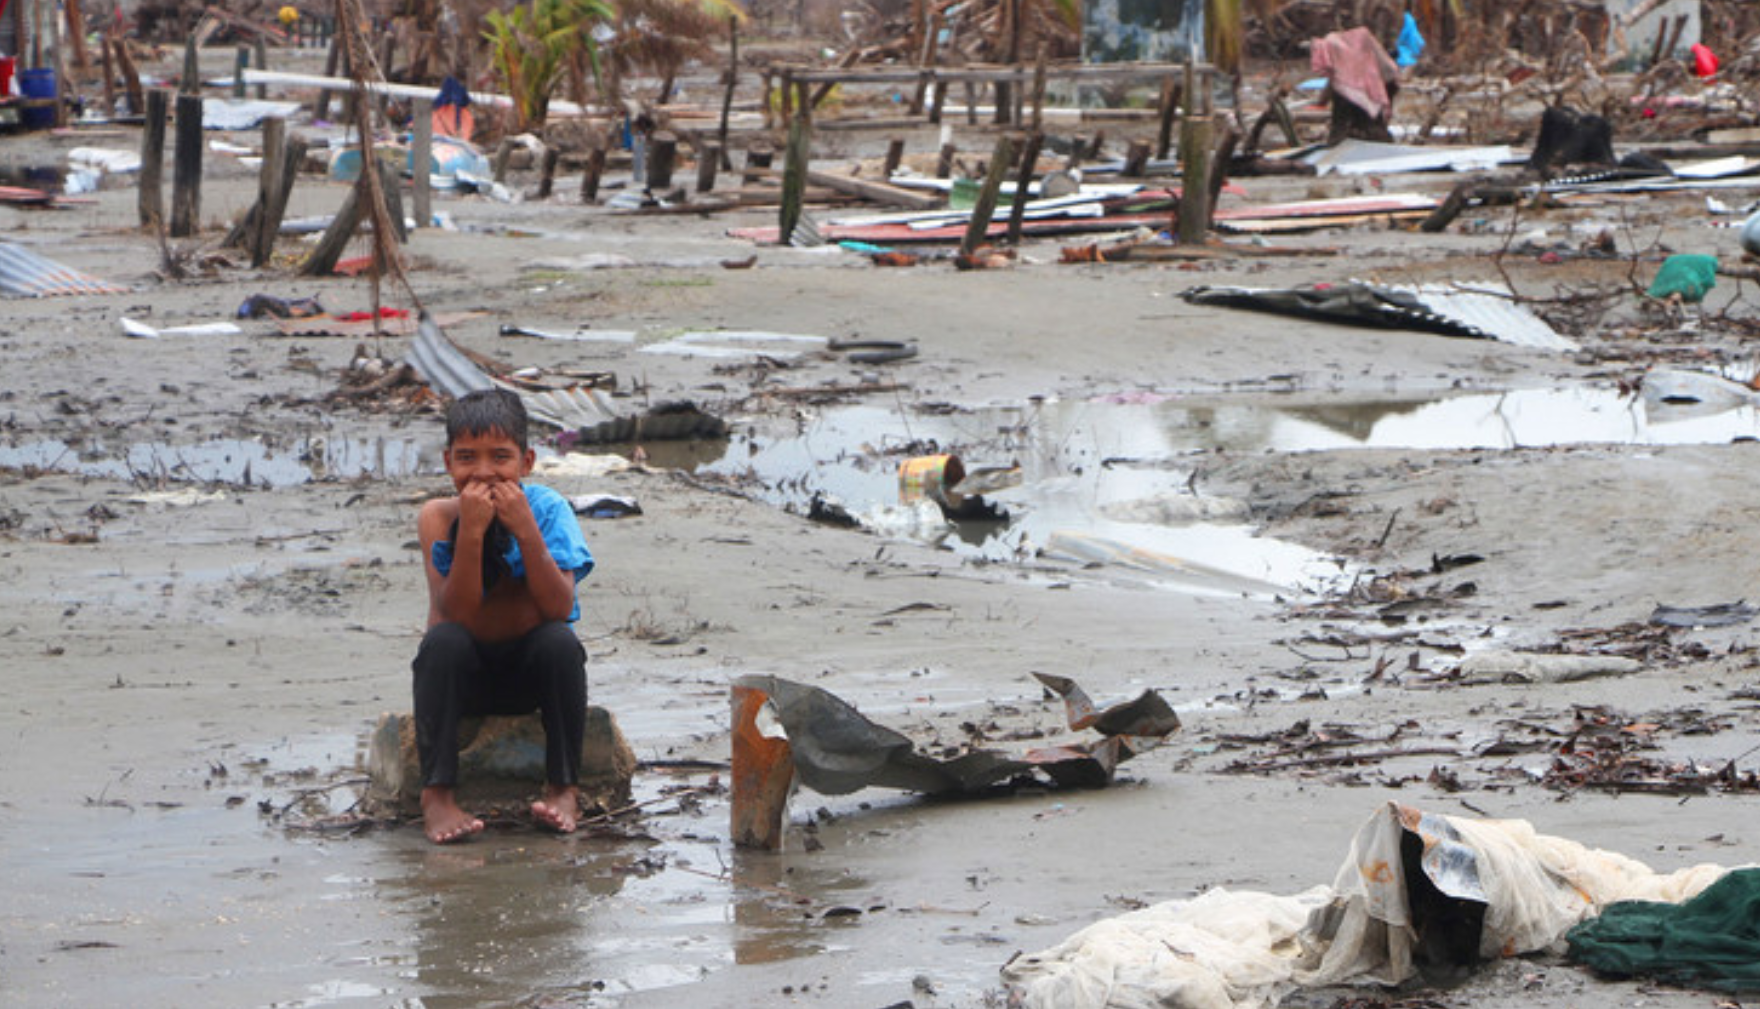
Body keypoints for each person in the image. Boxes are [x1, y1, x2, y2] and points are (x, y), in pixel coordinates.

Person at [412, 388, 595, 844]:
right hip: (464, 678)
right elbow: (457, 612)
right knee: (441, 644)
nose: (483, 472)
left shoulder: (549, 510)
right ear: (448, 461)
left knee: (560, 643)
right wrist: (472, 533)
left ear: (526, 462)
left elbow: (558, 607)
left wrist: (524, 528)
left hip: (531, 677)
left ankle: (563, 788)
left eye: (500, 457)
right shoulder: (437, 517)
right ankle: (437, 796)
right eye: (467, 458)